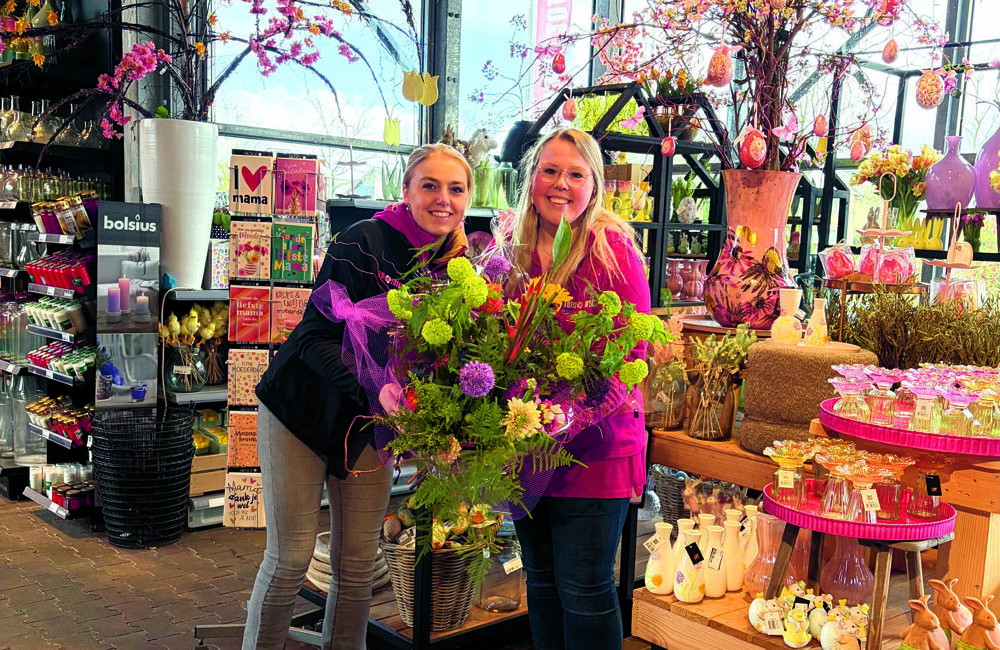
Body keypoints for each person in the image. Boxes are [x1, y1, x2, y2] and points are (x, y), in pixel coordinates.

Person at [245, 143, 472, 649]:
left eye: (455, 188)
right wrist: (376, 385)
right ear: (406, 190)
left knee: (356, 566)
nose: (443, 199)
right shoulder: (364, 240)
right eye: (429, 185)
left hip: (370, 423)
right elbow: (312, 338)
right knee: (290, 559)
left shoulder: (458, 270)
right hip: (300, 411)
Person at [494, 128, 650, 650]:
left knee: (584, 591)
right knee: (539, 584)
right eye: (550, 170)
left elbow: (631, 351)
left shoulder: (612, 247)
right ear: (531, 177)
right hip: (526, 448)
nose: (561, 184)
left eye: (575, 174)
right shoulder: (510, 249)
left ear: (594, 184)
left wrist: (570, 416)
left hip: (595, 451)